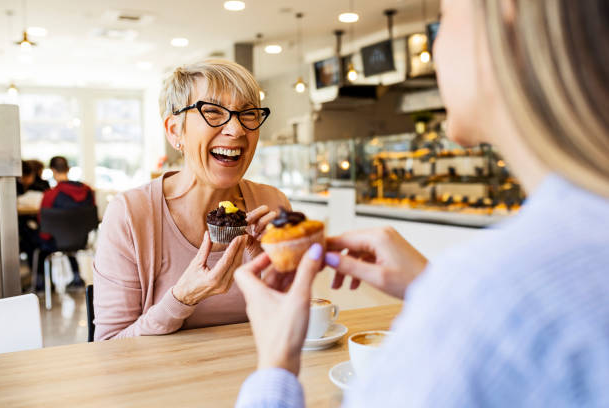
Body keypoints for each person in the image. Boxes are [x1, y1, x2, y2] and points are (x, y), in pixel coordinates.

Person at [234, 0, 609, 406]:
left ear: (506, 14)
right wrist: (432, 287)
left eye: (443, 18)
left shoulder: (492, 291)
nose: (434, 48)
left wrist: (275, 364)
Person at [93, 59, 290, 340]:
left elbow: (292, 325)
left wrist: (276, 278)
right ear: (175, 131)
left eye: (248, 114)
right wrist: (182, 298)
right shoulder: (130, 214)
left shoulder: (271, 203)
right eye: (212, 111)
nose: (237, 130)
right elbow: (108, 346)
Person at [38, 156, 95, 289]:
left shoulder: (50, 195)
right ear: (68, 169)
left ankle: (41, 282)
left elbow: (43, 225)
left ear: (52, 170)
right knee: (67, 235)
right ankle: (76, 276)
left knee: (37, 239)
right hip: (81, 240)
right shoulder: (87, 191)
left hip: (56, 242)